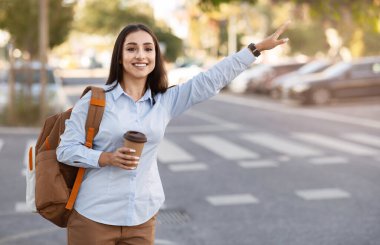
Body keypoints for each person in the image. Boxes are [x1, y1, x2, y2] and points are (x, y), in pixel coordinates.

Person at [57, 21, 290, 245]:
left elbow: (210, 80)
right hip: (94, 215)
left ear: (156, 57)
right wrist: (105, 158)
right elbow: (65, 150)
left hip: (141, 217)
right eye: (131, 49)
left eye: (148, 49)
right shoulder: (96, 100)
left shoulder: (165, 101)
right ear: (119, 56)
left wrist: (255, 49)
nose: (141, 55)